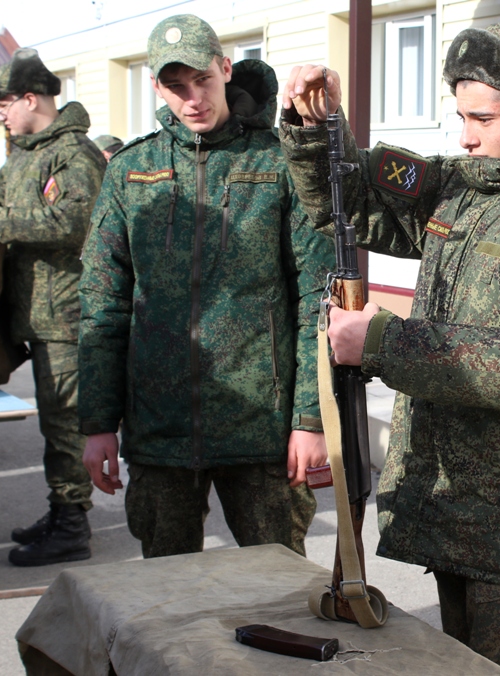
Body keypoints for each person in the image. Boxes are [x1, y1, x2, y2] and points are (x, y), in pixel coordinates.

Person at [281, 11, 500, 675]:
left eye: (482, 119)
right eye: (459, 116)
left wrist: (380, 342)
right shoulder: (464, 189)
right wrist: (316, 120)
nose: (463, 136)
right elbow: (351, 201)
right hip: (451, 499)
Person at [77, 14, 333, 560]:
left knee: (279, 596)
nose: (193, 99)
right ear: (156, 87)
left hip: (260, 432)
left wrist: (310, 420)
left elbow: (318, 297)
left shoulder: (278, 161)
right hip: (159, 431)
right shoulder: (129, 171)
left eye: (203, 81)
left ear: (225, 68)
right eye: (176, 86)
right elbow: (103, 305)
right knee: (170, 605)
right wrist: (98, 423)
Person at [0, 49, 106, 567]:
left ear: (32, 99)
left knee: (67, 425)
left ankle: (72, 524)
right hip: (39, 314)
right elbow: (0, 192)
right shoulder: (28, 152)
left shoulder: (74, 153)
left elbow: (79, 221)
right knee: (54, 423)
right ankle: (61, 510)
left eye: (3, 104)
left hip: (68, 316)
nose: (0, 114)